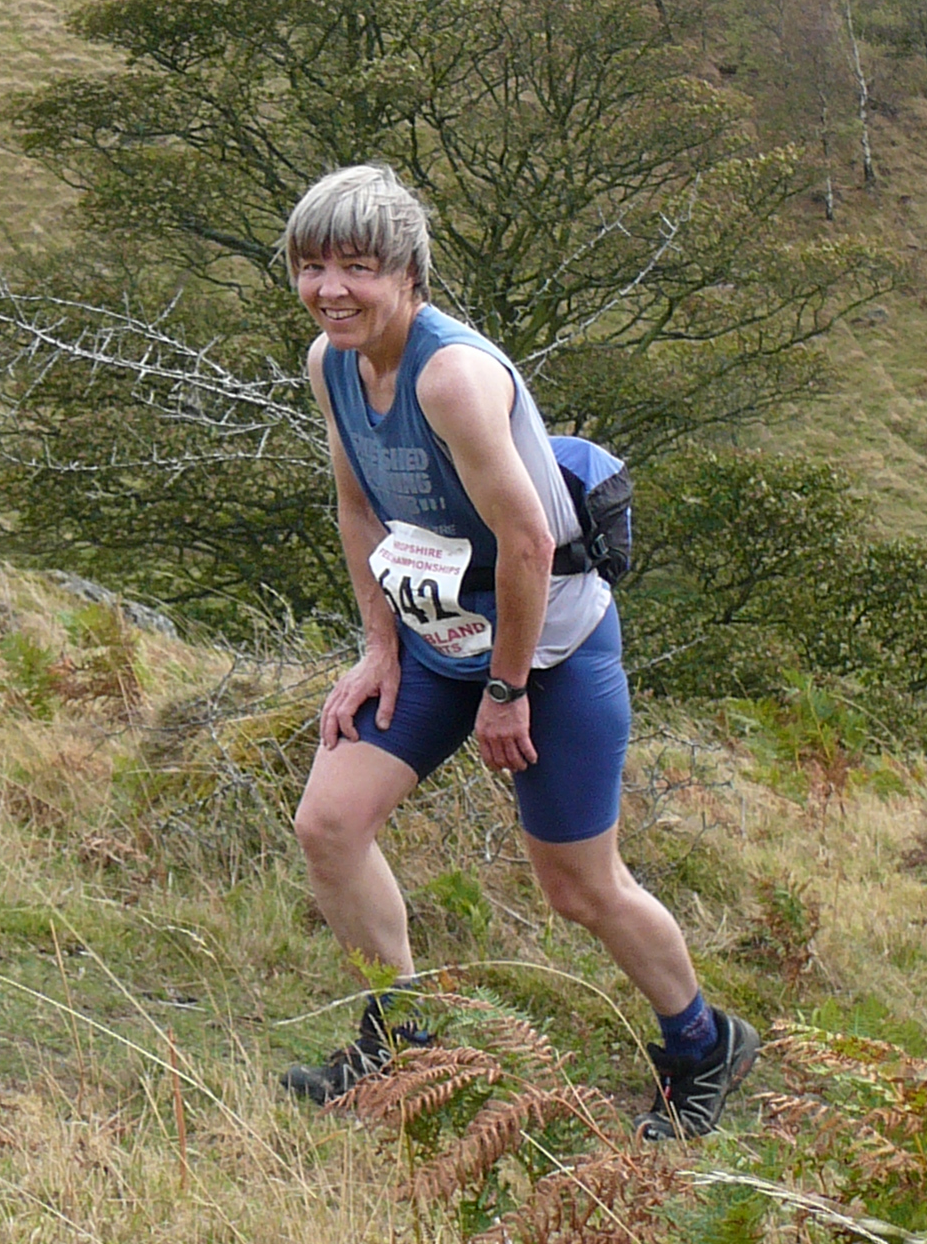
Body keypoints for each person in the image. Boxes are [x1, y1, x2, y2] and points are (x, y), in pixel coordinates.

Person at [278, 163, 759, 1138]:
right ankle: (411, 1040)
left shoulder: (452, 375)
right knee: (328, 823)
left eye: (357, 266)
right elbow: (357, 502)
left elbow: (531, 541)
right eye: (312, 264)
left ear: (408, 272)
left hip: (548, 650)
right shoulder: (332, 363)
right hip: (438, 639)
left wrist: (508, 688)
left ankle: (704, 1042)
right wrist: (379, 645)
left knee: (579, 884)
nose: (331, 287)